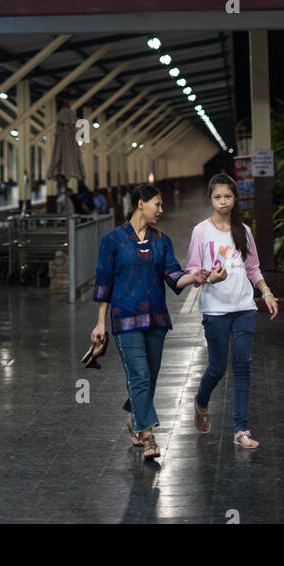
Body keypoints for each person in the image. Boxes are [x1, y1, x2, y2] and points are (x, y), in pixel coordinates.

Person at [91, 183, 208, 459]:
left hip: (156, 319)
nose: (161, 209)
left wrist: (195, 276)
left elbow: (173, 275)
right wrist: (100, 323)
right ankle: (148, 436)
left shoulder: (161, 241)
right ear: (140, 204)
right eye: (157, 203)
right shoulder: (113, 240)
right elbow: (104, 282)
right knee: (140, 376)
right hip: (125, 319)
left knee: (149, 377)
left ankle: (135, 419)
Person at [185, 173, 279, 450]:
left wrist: (266, 292)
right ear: (210, 199)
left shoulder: (244, 231)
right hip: (215, 310)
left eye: (227, 196)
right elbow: (192, 269)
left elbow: (253, 269)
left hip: (244, 308)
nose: (223, 202)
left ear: (235, 198)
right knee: (216, 367)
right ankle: (201, 400)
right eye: (217, 197)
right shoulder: (201, 231)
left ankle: (241, 430)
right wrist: (208, 278)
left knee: (243, 366)